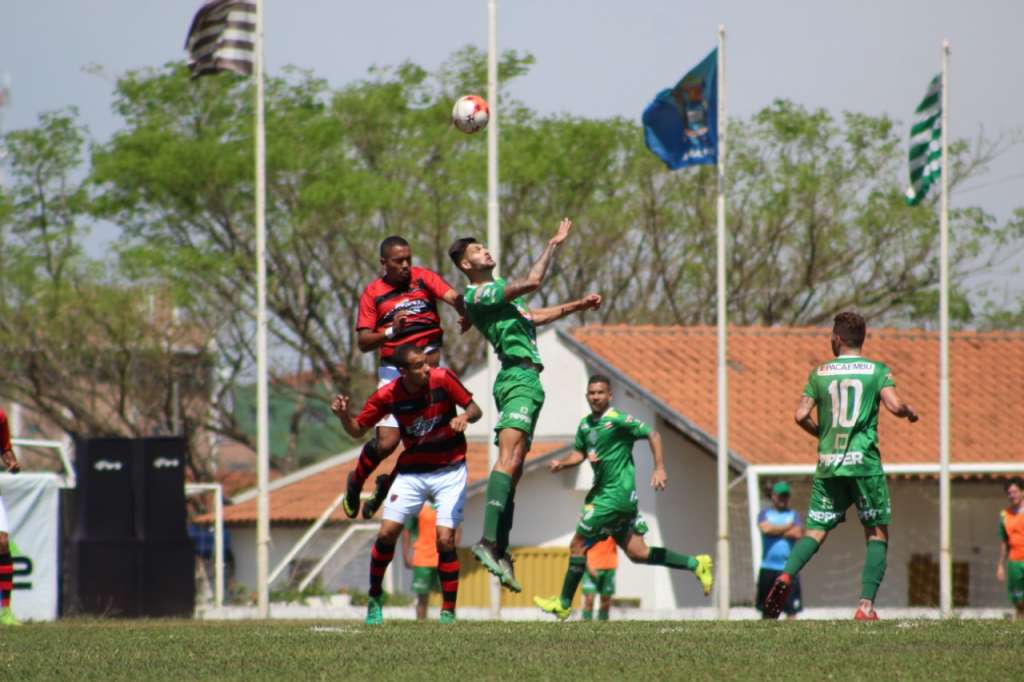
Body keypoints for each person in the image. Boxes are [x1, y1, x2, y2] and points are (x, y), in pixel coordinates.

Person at [448, 218, 602, 593]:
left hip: (528, 381)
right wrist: (552, 245)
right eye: (477, 250)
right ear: (467, 264)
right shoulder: (480, 293)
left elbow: (533, 316)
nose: (486, 250)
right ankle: (488, 542)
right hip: (516, 377)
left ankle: (499, 548)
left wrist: (578, 304)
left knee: (515, 467)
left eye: (484, 246)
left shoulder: (500, 295)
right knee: (509, 457)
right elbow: (532, 282)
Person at [763, 312, 919, 621]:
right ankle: (865, 607)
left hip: (829, 465)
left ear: (837, 338)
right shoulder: (877, 370)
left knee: (816, 530)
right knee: (876, 533)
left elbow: (800, 415)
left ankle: (786, 575)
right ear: (862, 339)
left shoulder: (819, 373)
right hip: (864, 466)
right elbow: (894, 405)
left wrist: (822, 434)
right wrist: (908, 411)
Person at [534, 375, 712, 620]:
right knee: (638, 553)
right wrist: (563, 464)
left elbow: (653, 434)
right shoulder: (585, 425)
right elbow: (579, 453)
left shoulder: (618, 420)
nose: (596, 397)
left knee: (577, 545)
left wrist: (659, 468)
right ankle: (696, 564)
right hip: (608, 496)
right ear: (587, 396)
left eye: (600, 392)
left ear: (610, 396)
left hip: (614, 497)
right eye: (592, 393)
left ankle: (564, 603)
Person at [331, 344, 481, 625]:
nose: (427, 368)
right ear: (402, 371)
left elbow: (475, 409)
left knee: (445, 540)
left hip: (450, 471)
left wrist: (463, 416)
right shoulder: (387, 395)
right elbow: (358, 430)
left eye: (426, 362)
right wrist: (343, 415)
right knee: (386, 533)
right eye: (419, 365)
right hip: (413, 473)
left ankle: (448, 612)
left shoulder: (442, 378)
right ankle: (375, 598)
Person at [347, 236, 466, 519]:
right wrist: (391, 331)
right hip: (394, 374)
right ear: (384, 263)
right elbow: (363, 342)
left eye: (408, 259)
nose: (405, 265)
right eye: (398, 261)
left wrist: (466, 310)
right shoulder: (373, 293)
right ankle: (356, 480)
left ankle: (387, 485)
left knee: (424, 442)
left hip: (429, 376)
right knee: (387, 443)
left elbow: (453, 297)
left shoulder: (423, 278)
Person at [402, 504, 459, 621]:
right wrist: (405, 555)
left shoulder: (446, 503)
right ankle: (421, 624)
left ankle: (449, 622)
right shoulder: (419, 505)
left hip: (443, 558)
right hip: (422, 558)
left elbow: (457, 529)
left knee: (448, 596)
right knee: (422, 597)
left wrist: (452, 551)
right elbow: (407, 530)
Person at [756, 481, 804, 619]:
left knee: (791, 610)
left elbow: (797, 533)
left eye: (785, 496)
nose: (783, 499)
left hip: (788, 569)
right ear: (773, 496)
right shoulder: (765, 513)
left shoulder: (793, 515)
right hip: (768, 567)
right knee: (767, 609)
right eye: (780, 496)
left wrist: (775, 530)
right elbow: (766, 529)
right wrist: (787, 527)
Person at [0, 408, 21, 626]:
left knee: (2, 543)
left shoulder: (1, 416)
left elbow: (5, 448)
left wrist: (11, 462)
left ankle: (5, 611)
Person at [996, 476, 1024, 620]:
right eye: (1009, 493)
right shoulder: (1005, 515)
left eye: (1015, 492)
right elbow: (1004, 541)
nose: (1012, 495)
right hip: (1014, 561)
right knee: (1018, 601)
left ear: (1022, 492)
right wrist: (1000, 565)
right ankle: (1019, 625)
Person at [581, 536, 618, 621]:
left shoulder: (614, 530)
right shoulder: (589, 529)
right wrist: (588, 566)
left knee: (606, 600)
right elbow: (580, 548)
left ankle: (603, 624)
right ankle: (586, 624)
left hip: (609, 567)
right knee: (589, 599)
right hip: (591, 567)